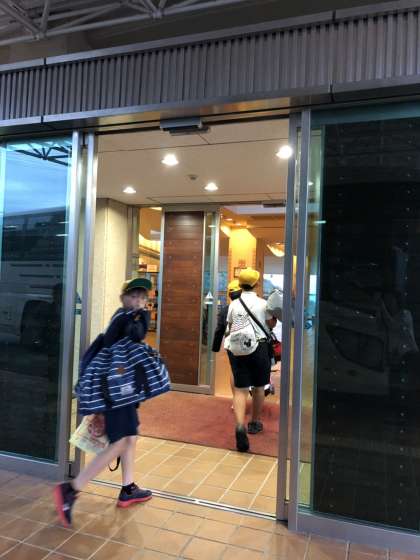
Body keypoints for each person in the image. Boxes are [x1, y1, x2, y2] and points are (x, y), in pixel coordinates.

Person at [54, 277, 153, 528]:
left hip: (123, 390)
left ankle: (128, 488)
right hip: (116, 392)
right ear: (123, 298)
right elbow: (131, 338)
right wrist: (139, 316)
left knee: (131, 437)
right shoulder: (123, 318)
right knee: (121, 442)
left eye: (142, 297)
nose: (138, 301)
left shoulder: (130, 317)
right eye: (133, 296)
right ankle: (72, 488)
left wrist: (140, 317)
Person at [225, 268, 275, 452]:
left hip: (238, 349)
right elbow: (270, 324)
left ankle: (239, 426)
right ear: (257, 284)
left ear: (240, 284)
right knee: (259, 386)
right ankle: (254, 422)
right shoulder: (263, 303)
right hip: (259, 348)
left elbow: (230, 326)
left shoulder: (234, 304)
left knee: (240, 389)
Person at [212, 279, 242, 401]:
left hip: (232, 346)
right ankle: (244, 400)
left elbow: (219, 329)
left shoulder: (225, 310)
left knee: (235, 371)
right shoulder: (250, 307)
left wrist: (215, 347)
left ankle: (236, 400)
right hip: (250, 344)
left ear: (229, 295)